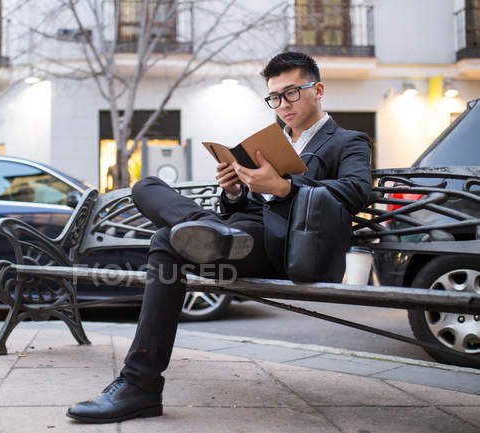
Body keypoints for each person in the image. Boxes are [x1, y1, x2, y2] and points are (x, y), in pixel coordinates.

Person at [66, 51, 372, 424]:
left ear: (318, 89)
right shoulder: (270, 141)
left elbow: (357, 192)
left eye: (291, 93)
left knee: (167, 241)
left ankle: (139, 386)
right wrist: (232, 191)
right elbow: (244, 205)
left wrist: (283, 187)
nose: (282, 105)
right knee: (145, 186)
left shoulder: (347, 141)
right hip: (239, 232)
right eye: (274, 97)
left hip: (284, 245)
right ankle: (208, 230)